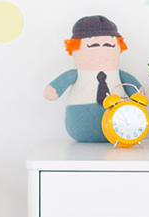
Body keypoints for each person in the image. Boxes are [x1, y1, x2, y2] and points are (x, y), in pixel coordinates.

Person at [44, 14, 143, 143]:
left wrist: (138, 94)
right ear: (73, 48)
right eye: (94, 45)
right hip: (80, 125)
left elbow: (138, 92)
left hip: (119, 125)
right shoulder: (77, 74)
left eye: (109, 45)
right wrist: (53, 90)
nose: (102, 48)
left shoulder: (118, 74)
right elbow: (54, 90)